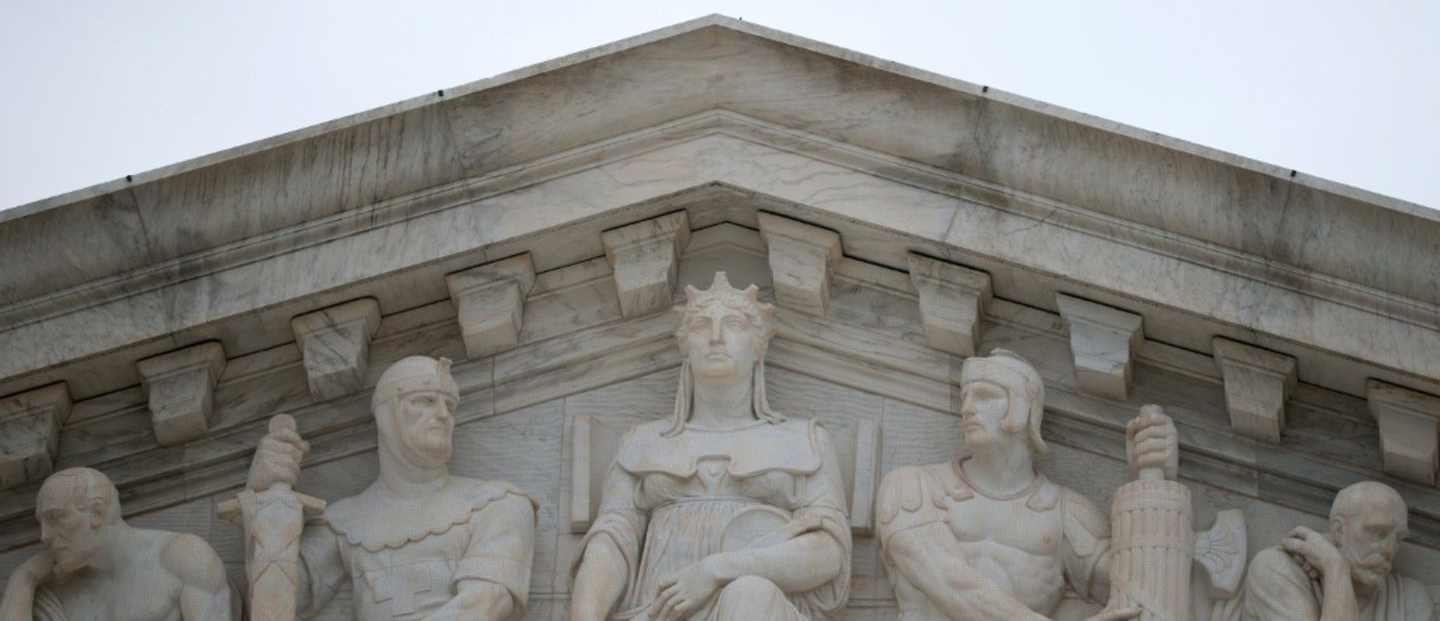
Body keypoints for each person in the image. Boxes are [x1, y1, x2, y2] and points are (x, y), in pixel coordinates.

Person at [570, 272, 851, 621]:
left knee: (750, 592)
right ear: (685, 347)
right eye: (702, 326)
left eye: (733, 324)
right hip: (657, 612)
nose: (716, 337)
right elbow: (611, 542)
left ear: (759, 345)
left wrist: (716, 570)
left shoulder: (804, 439)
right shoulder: (641, 442)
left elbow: (828, 554)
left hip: (761, 610)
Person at [876, 349, 1176, 621]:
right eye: (964, 395)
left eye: (984, 395)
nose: (966, 408)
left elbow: (1142, 596)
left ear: (1024, 409)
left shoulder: (1064, 512)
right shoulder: (912, 487)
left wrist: (1159, 480)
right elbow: (947, 580)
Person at [246, 355, 537, 621]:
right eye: (424, 400)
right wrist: (263, 495)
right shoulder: (345, 520)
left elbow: (484, 604)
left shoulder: (497, 504)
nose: (443, 415)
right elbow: (280, 602)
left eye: (450, 405)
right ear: (386, 416)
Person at [0, 467, 232, 621]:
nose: (44, 536)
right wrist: (24, 577)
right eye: (41, 523)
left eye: (56, 518)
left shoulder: (182, 556)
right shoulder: (58, 593)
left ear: (97, 512)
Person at [1242, 481, 1432, 621]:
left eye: (1398, 538)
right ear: (1339, 531)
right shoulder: (1276, 568)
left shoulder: (1409, 599)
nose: (1390, 550)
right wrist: (1336, 568)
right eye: (1378, 533)